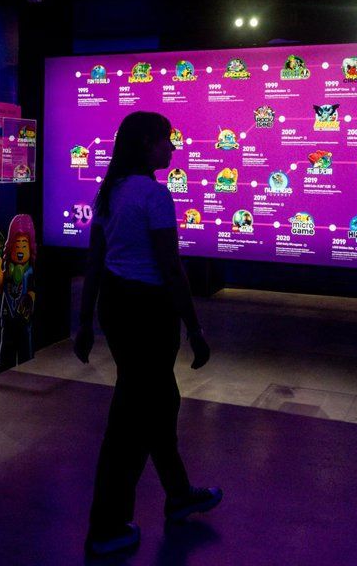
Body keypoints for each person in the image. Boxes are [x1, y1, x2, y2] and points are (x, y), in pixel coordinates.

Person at [73, 110, 222, 558]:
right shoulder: (155, 196)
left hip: (117, 307)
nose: (172, 147)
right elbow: (171, 268)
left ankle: (178, 495)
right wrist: (194, 328)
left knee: (158, 402)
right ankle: (106, 526)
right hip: (149, 313)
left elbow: (95, 263)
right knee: (132, 421)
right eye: (165, 140)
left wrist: (84, 322)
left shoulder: (111, 192)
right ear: (145, 144)